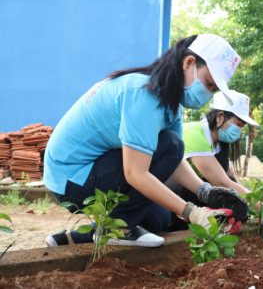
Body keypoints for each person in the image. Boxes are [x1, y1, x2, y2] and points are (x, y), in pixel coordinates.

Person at [44, 34, 245, 247]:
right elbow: (137, 172)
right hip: (72, 179)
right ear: (189, 63)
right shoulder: (144, 94)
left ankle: (74, 238)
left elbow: (174, 160)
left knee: (158, 219)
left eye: (213, 89)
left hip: (89, 172)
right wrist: (192, 213)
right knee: (171, 146)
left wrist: (204, 191)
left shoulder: (169, 102)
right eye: (208, 83)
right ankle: (118, 231)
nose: (207, 93)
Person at [165, 90, 263, 232]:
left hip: (192, 192)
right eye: (238, 124)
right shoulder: (196, 135)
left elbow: (231, 178)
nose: (239, 130)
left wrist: (248, 206)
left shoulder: (218, 142)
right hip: (169, 191)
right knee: (221, 191)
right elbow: (221, 182)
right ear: (220, 117)